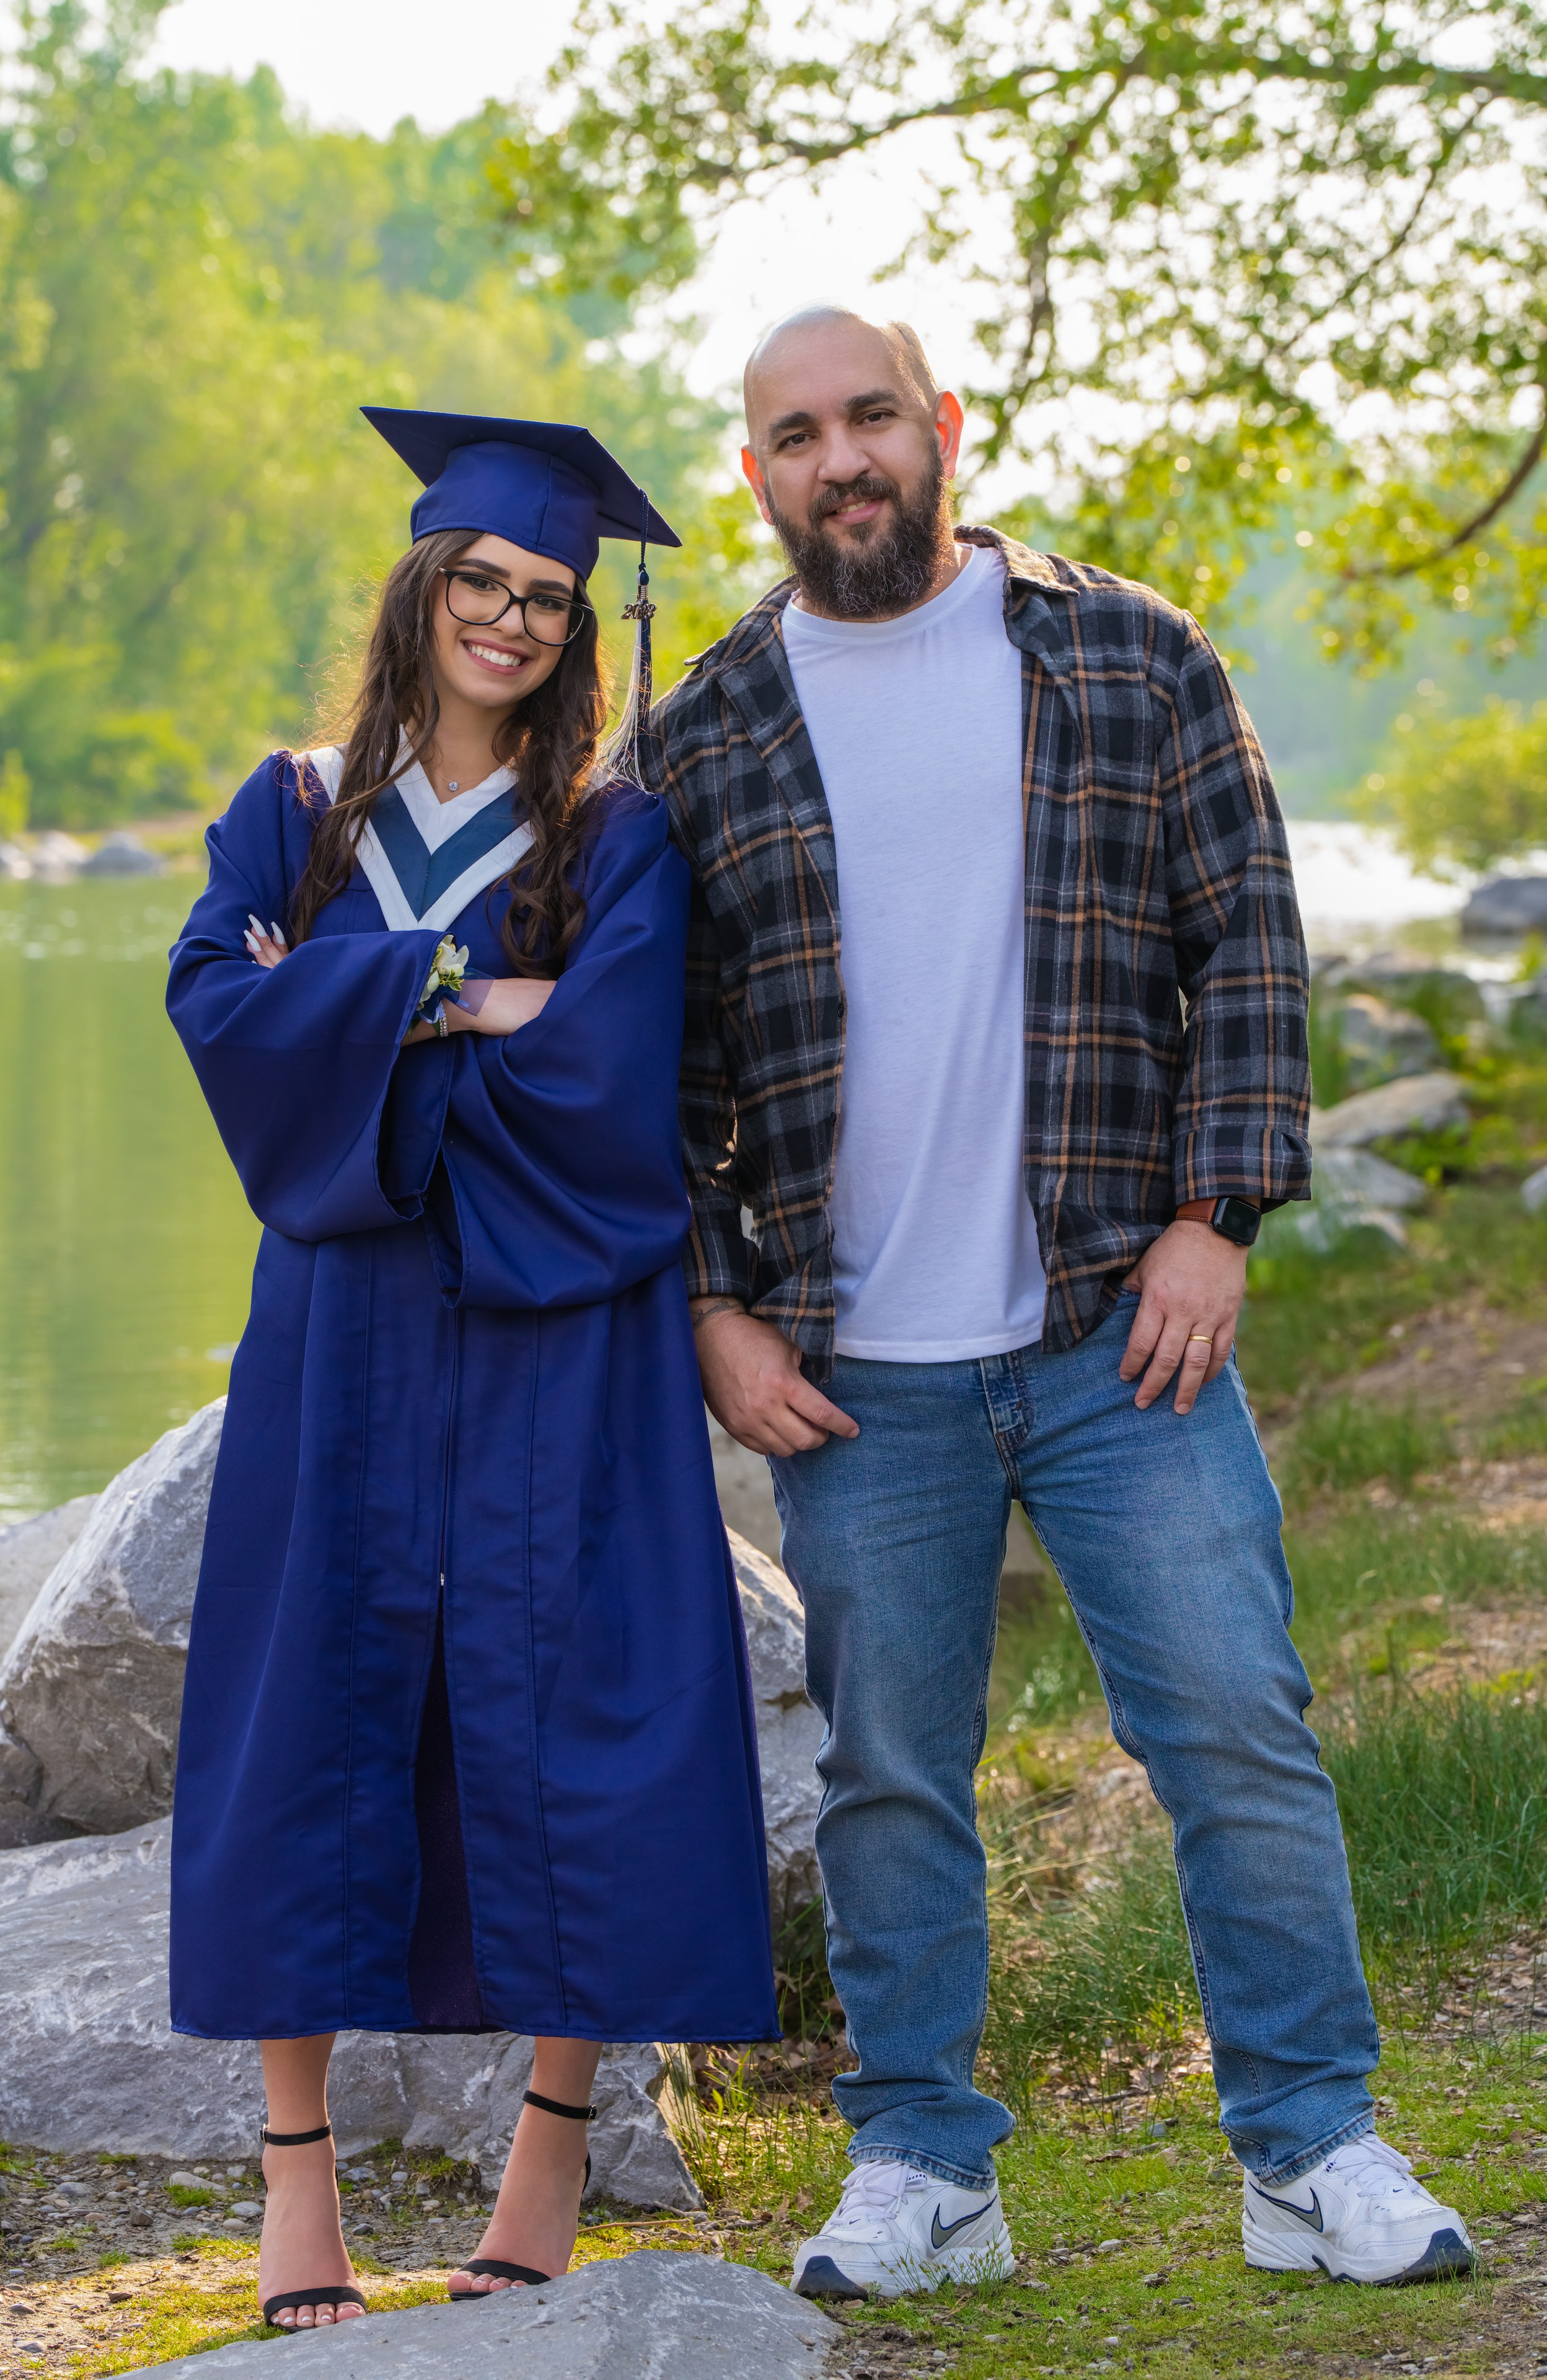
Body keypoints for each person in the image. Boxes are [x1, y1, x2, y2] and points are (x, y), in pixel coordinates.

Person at [646, 306, 1474, 2299]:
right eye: (793, 435)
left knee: (1236, 1732)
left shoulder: (1129, 652)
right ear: (752, 475)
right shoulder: (700, 729)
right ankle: (929, 2164)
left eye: (870, 420)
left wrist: (1224, 1212)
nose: (839, 460)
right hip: (856, 1372)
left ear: (945, 428)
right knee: (888, 1779)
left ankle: (1310, 2145)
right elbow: (653, 1062)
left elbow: (1248, 933)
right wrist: (710, 1309)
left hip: (1122, 1328)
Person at [166, 408, 778, 2334]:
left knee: (577, 1699)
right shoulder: (294, 811)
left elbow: (606, 1083)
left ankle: (547, 2151)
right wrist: (448, 993)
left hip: (556, 1329)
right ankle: (296, 2190)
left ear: (578, 626)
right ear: (421, 589)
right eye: (480, 584)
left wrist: (347, 1012)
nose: (509, 619)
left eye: (545, 596)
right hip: (342, 1332)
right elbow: (214, 1007)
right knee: (303, 1706)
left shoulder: (616, 830)